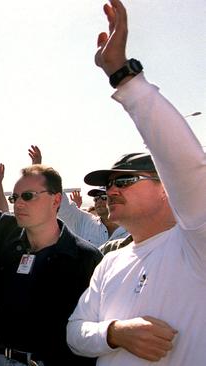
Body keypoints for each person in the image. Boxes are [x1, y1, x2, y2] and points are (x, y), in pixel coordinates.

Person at [66, 1, 206, 364]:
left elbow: (189, 168)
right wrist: (113, 332)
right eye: (108, 185)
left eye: (124, 180)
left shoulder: (195, 245)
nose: (110, 191)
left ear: (165, 187)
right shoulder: (110, 261)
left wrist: (124, 77)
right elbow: (75, 331)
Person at [0, 104, 102, 365]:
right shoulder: (5, 234)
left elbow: (89, 331)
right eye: (15, 197)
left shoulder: (84, 258)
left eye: (28, 196)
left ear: (56, 200)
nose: (18, 203)